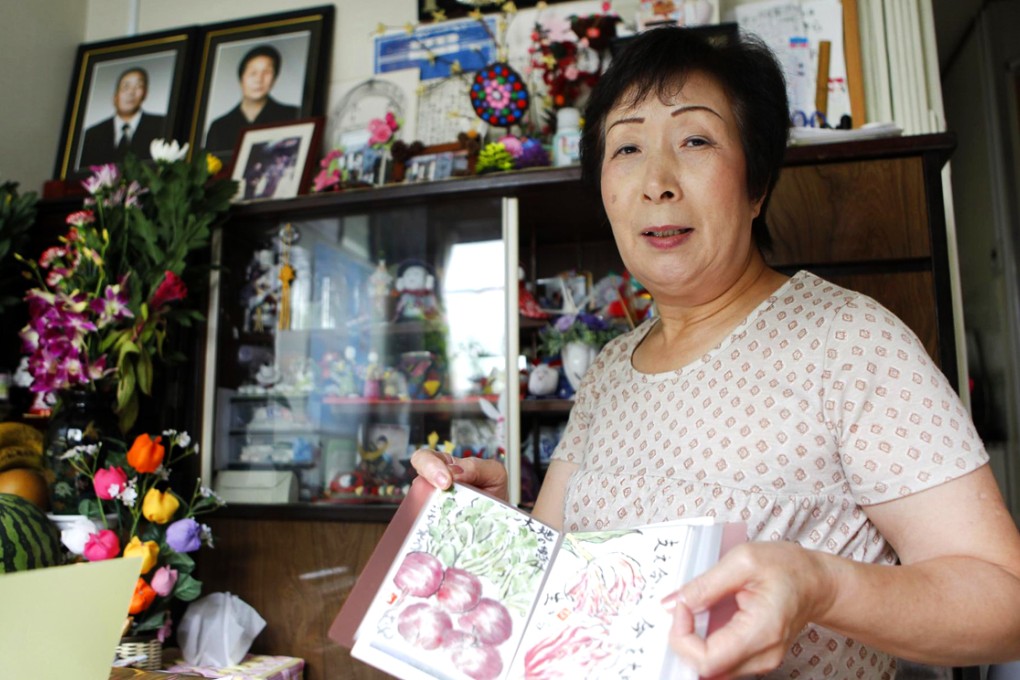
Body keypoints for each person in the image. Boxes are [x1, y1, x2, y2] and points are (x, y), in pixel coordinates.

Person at [410, 25, 1020, 678]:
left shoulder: (849, 342)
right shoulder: (611, 370)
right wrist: (488, 523)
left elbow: (1004, 600)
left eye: (695, 139)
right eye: (627, 148)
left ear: (756, 186)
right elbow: (562, 583)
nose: (657, 181)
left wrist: (821, 586)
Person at [204, 44, 299, 155]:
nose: (259, 79)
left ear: (274, 79)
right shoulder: (219, 127)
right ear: (241, 78)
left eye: (267, 72)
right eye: (253, 73)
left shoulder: (292, 115)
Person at [79, 67, 166, 168]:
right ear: (115, 96)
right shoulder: (91, 135)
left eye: (138, 86)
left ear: (145, 93)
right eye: (126, 87)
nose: (131, 93)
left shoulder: (161, 125)